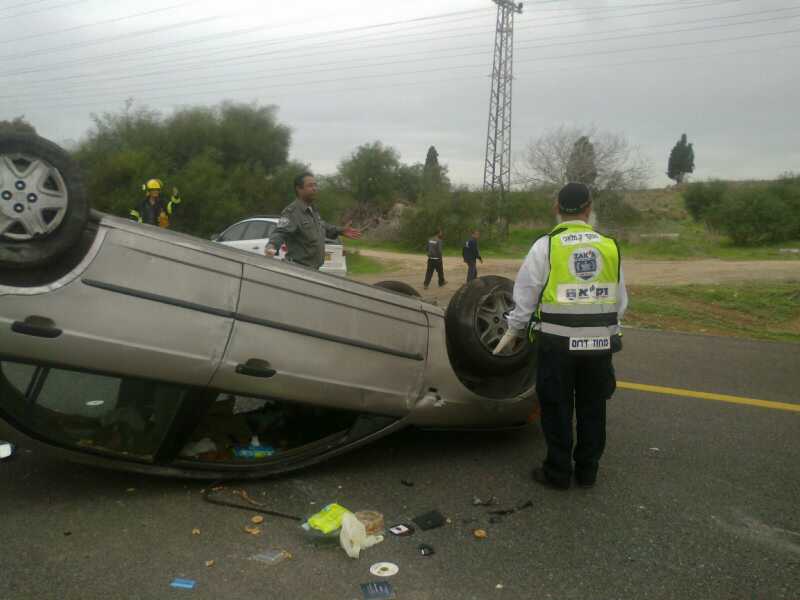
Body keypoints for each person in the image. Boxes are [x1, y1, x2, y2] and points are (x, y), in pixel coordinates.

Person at [493, 182, 627, 490]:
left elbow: (526, 293)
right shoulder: (609, 245)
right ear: (588, 208)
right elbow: (620, 301)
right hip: (599, 343)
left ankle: (558, 471)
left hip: (557, 343)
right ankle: (588, 471)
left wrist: (515, 329)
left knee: (556, 406)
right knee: (594, 406)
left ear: (557, 208)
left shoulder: (547, 245)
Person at [265, 172, 361, 268]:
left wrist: (341, 230)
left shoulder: (312, 210)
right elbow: (280, 232)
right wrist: (271, 246)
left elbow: (323, 226)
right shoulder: (292, 212)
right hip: (298, 268)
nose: (315, 188)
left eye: (315, 185)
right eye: (310, 186)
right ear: (299, 189)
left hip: (313, 269)